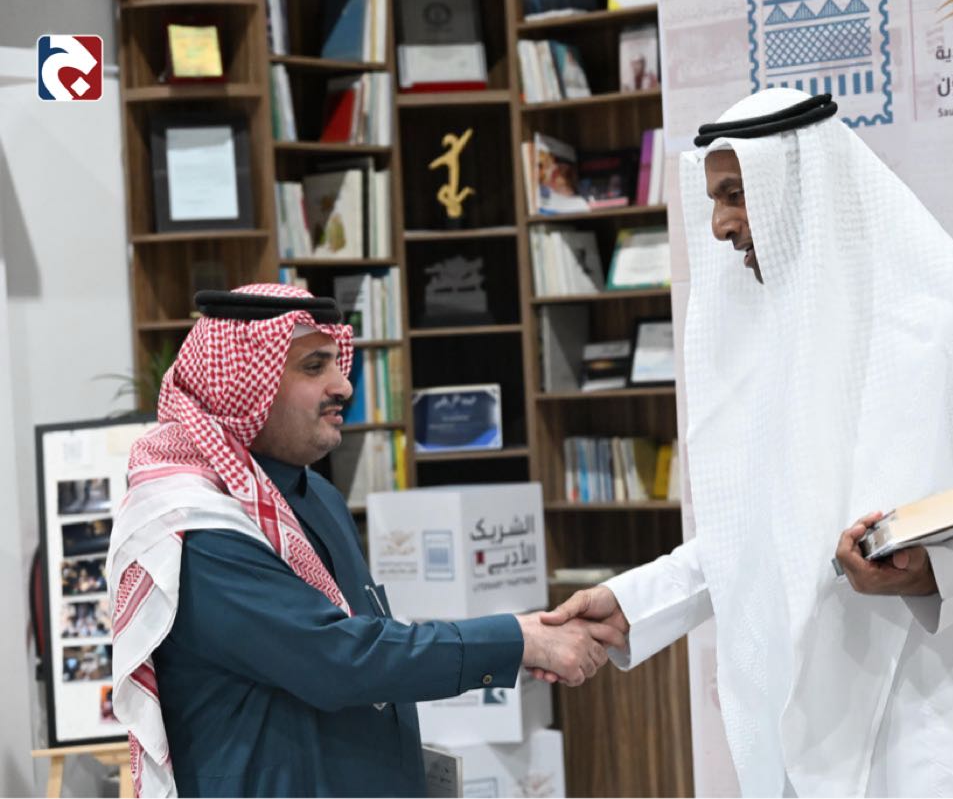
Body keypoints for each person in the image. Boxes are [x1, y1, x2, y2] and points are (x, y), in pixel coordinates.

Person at [537, 90, 953, 796]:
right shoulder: (776, 347)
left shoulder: (949, 319)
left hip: (939, 721)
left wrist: (931, 571)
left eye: (736, 195)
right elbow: (754, 535)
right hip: (813, 728)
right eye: (714, 200)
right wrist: (632, 605)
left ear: (801, 185)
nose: (719, 226)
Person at [107, 285, 622, 797]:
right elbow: (340, 660)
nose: (343, 387)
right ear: (240, 387)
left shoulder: (318, 497)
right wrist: (519, 639)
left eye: (337, 363)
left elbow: (371, 648)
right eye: (314, 367)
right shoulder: (196, 530)